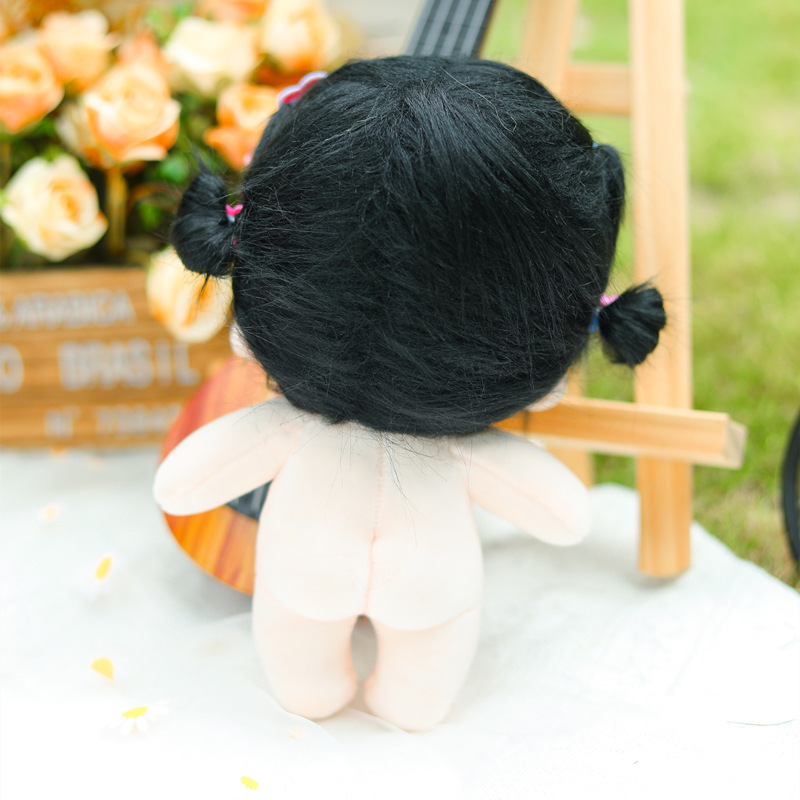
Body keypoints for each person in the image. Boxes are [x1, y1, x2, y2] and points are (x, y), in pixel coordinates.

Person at [155, 56, 666, 730]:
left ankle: (310, 690)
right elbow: (565, 516)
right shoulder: (472, 434)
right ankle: (412, 703)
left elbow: (181, 485)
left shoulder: (288, 410)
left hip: (302, 562)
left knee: (298, 645)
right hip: (434, 579)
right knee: (428, 656)